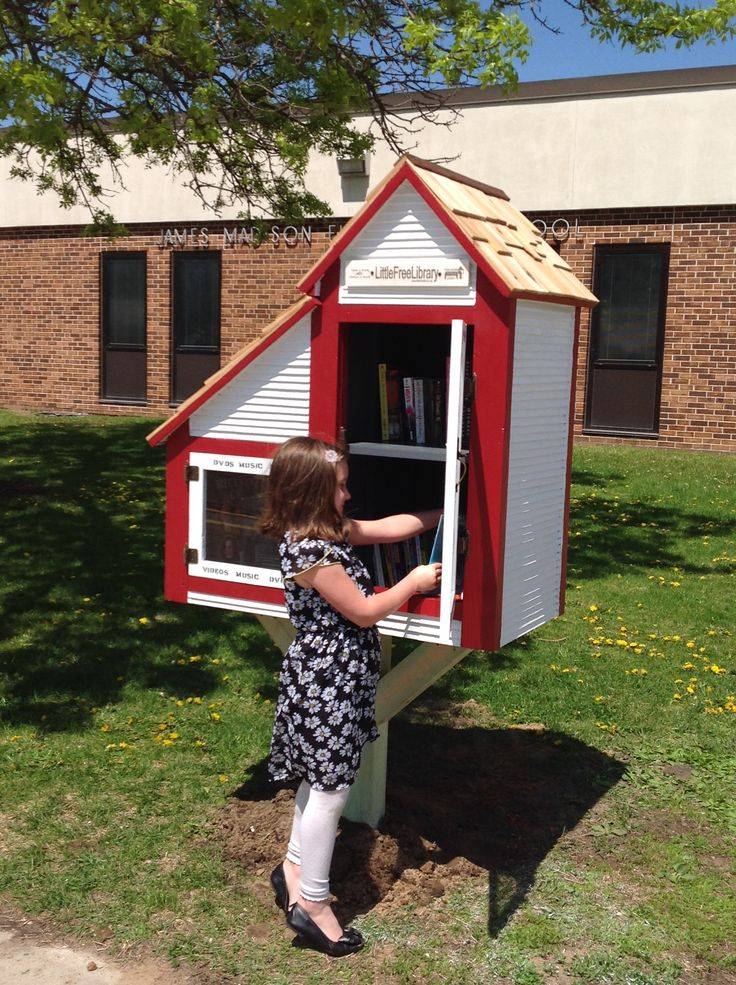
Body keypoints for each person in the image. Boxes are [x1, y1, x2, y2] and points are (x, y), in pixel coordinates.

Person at [260, 435, 442, 956]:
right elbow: (362, 611)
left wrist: (445, 512)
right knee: (331, 790)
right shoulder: (309, 550)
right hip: (326, 683)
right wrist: (412, 582)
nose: (348, 495)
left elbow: (391, 528)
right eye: (339, 487)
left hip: (334, 678)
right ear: (312, 492)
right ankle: (314, 905)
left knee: (318, 783)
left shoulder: (326, 532)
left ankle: (293, 870)